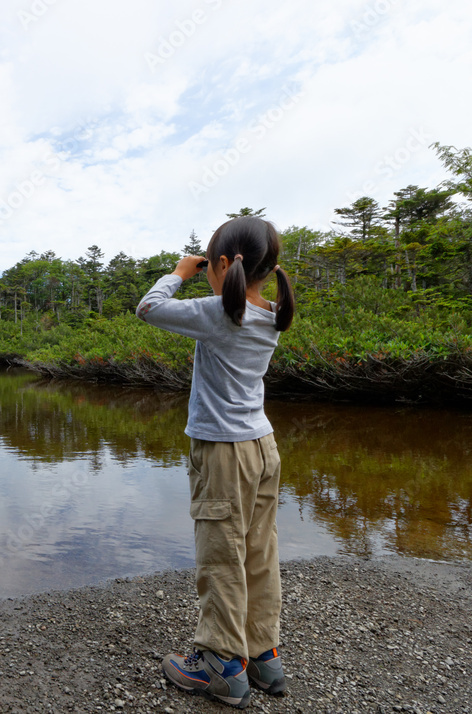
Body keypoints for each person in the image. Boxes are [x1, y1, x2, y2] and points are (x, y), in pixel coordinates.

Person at [135, 216, 295, 709]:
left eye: (211, 266)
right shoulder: (272, 313)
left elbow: (149, 308)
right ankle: (262, 654)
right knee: (257, 549)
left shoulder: (219, 313)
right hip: (263, 448)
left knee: (221, 555)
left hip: (224, 453)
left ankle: (221, 667)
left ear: (224, 265)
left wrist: (180, 272)